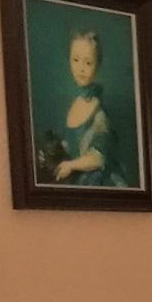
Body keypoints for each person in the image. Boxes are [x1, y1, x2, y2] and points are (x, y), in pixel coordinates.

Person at [50, 31, 126, 187]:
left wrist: (71, 165)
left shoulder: (101, 112)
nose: (81, 68)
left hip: (99, 182)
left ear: (97, 64)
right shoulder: (71, 104)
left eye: (88, 63)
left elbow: (98, 158)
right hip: (75, 181)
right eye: (76, 60)